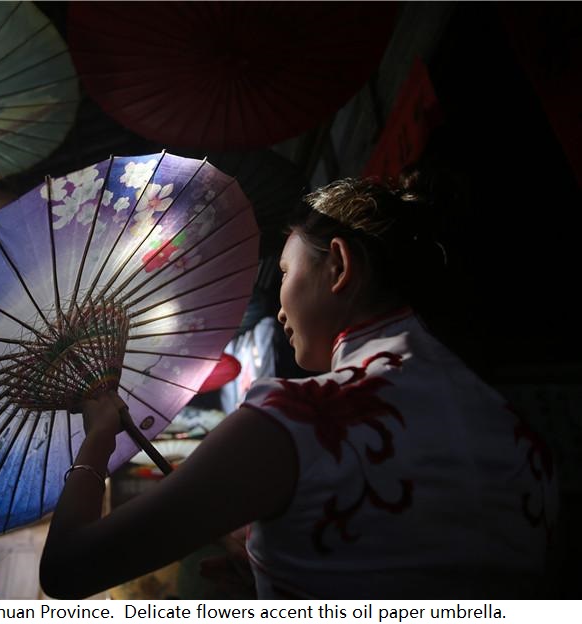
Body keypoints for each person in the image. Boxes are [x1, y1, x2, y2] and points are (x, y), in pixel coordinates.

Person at [39, 176, 558, 599]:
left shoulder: (301, 416)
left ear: (339, 266)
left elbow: (67, 571)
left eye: (284, 271)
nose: (280, 304)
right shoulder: (513, 429)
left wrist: (99, 437)